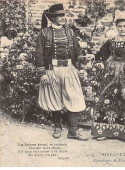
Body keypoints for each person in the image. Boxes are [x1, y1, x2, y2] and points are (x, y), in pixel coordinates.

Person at [91, 10, 125, 141]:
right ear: (116, 27)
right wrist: (96, 59)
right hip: (112, 72)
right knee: (107, 97)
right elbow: (101, 54)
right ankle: (104, 131)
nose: (122, 29)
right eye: (120, 26)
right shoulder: (111, 41)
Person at [35, 4, 86, 139]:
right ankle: (57, 127)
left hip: (69, 69)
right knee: (54, 99)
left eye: (64, 15)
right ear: (52, 18)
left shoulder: (69, 32)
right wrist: (42, 73)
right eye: (60, 16)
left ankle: (73, 131)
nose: (63, 18)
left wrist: (82, 59)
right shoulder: (44, 33)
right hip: (52, 70)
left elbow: (77, 50)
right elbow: (39, 54)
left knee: (74, 97)